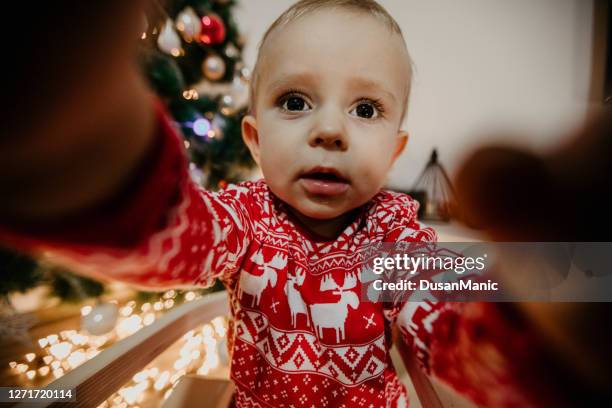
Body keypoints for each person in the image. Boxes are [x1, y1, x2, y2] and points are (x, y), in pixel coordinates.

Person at [0, 1, 580, 406]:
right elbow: (177, 240)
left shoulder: (395, 238)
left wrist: (555, 328)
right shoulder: (243, 218)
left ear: (394, 151)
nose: (330, 130)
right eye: (296, 100)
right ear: (254, 139)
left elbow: (448, 322)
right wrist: (82, 154)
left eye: (366, 109)